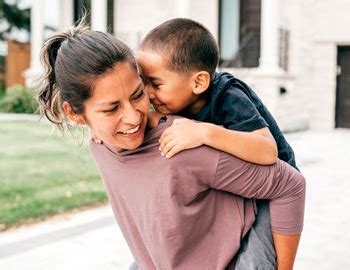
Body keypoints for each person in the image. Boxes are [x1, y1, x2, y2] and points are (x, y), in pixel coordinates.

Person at [37, 24, 305, 269]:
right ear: (75, 114)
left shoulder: (206, 120)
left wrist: (203, 132)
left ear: (198, 82)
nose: (133, 117)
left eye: (138, 94)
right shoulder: (102, 143)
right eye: (111, 108)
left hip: (268, 179)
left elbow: (279, 169)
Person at [137, 18, 301, 269]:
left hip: (271, 192)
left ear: (199, 82)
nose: (148, 93)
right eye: (144, 83)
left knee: (254, 263)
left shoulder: (228, 95)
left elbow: (267, 150)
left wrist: (204, 132)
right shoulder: (173, 100)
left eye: (156, 84)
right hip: (232, 187)